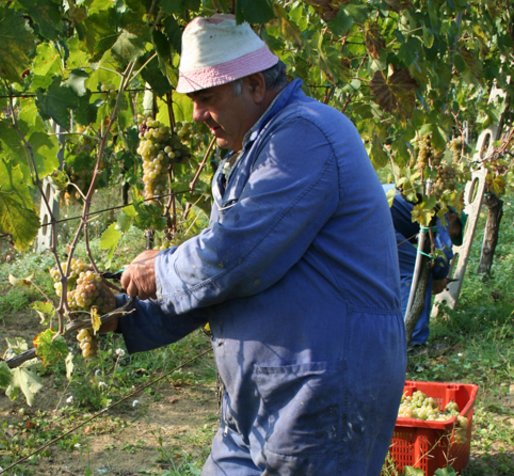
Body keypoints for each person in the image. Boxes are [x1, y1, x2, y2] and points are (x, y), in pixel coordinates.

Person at [103, 14, 407, 475]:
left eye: (207, 98)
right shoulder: (247, 156)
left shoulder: (305, 136)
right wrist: (122, 318)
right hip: (259, 399)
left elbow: (233, 256)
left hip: (321, 395)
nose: (197, 115)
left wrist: (160, 270)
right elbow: (218, 282)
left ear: (257, 85)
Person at [384, 185, 465, 346]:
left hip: (359, 208)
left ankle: (386, 335)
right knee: (417, 271)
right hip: (377, 216)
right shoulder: (441, 213)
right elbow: (441, 254)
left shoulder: (417, 191)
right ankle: (413, 342)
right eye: (453, 234)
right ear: (454, 218)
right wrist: (439, 277)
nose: (450, 235)